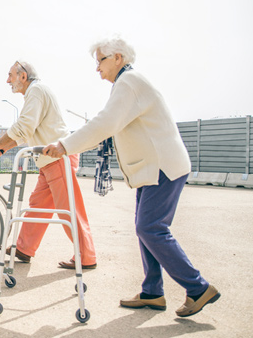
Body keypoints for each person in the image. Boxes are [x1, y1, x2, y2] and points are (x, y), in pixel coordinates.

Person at [42, 36, 220, 317]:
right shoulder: (126, 84)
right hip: (152, 169)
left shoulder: (129, 83)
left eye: (100, 60)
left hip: (161, 167)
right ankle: (153, 292)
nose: (97, 67)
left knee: (150, 228)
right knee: (146, 229)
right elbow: (109, 122)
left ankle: (198, 288)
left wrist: (65, 146)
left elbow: (106, 123)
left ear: (118, 58)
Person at [0, 61, 97, 269]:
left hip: (57, 158)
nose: (8, 80)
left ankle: (87, 257)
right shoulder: (35, 93)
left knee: (69, 209)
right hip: (49, 160)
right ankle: (24, 248)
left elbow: (24, 126)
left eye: (10, 76)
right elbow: (27, 131)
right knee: (38, 205)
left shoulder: (36, 91)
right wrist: (3, 147)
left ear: (23, 76)